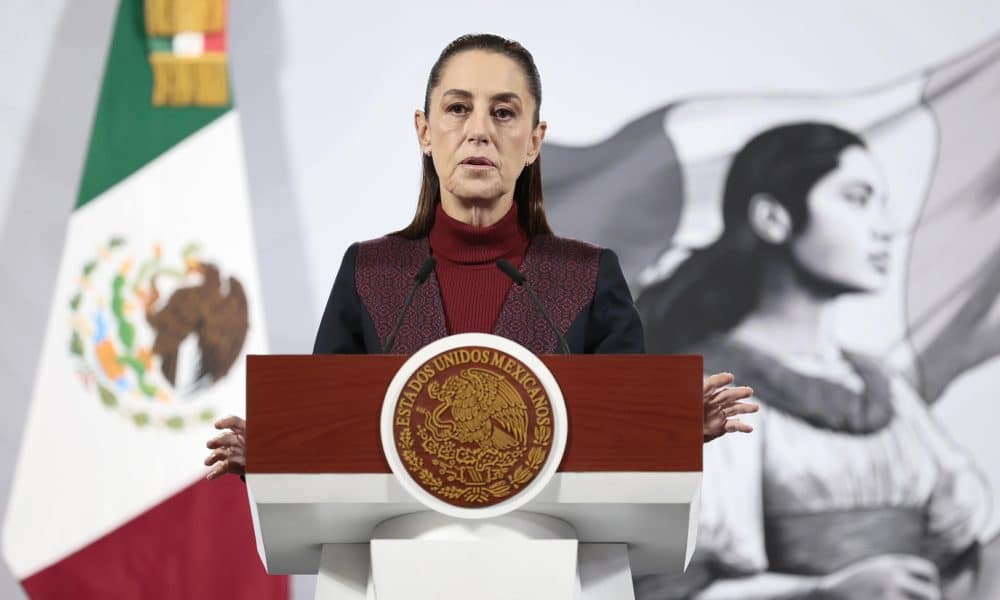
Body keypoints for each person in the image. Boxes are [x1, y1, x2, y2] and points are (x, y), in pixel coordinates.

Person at [203, 33, 758, 481]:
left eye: (504, 113)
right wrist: (279, 455)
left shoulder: (588, 277)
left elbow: (624, 430)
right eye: (458, 109)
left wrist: (675, 428)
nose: (479, 131)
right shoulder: (371, 274)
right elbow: (332, 429)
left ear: (535, 141)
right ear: (424, 131)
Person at [633, 123, 996, 599]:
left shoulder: (883, 388)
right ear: (773, 218)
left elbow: (960, 545)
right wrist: (823, 591)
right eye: (857, 198)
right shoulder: (707, 392)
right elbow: (669, 588)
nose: (885, 228)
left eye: (882, 203)